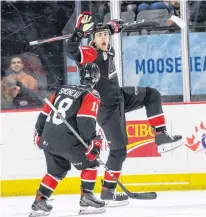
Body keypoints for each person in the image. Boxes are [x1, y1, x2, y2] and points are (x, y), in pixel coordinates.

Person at [65, 11, 183, 207]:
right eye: (99, 35)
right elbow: (71, 51)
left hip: (119, 97)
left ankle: (160, 135)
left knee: (151, 95)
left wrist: (112, 26)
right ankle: (108, 192)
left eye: (105, 35)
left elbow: (110, 29)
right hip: (106, 108)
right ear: (92, 39)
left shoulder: (106, 43)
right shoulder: (91, 52)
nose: (103, 38)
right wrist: (78, 31)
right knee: (119, 151)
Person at [29, 63, 105, 217]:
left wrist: (39, 131)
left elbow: (45, 112)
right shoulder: (92, 94)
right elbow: (85, 119)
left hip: (48, 139)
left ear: (81, 75)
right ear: (96, 78)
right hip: (68, 139)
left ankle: (40, 201)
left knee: (55, 171)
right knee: (91, 163)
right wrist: (93, 141)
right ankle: (87, 198)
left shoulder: (62, 89)